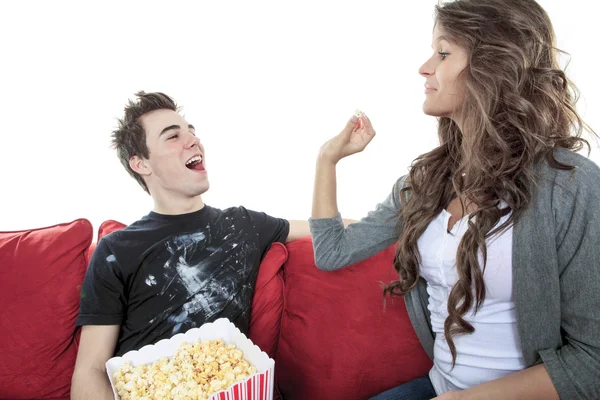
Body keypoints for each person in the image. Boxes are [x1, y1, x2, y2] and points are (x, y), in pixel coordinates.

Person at [310, 0, 600, 399]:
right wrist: (327, 159)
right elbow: (331, 252)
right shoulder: (425, 183)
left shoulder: (569, 186)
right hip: (437, 389)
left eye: (443, 53)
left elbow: (592, 362)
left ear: (492, 66)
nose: (424, 67)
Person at [70, 91, 313, 399]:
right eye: (172, 136)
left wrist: (390, 214)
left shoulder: (242, 224)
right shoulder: (116, 249)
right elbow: (90, 370)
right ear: (140, 163)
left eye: (192, 132)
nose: (193, 141)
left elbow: (324, 230)